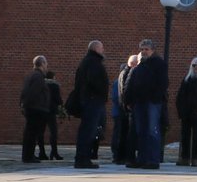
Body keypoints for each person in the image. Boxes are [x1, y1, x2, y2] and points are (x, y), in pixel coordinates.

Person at [125, 38, 167, 170]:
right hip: (139, 102)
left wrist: (155, 97)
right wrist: (128, 100)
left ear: (152, 50)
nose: (143, 51)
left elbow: (163, 83)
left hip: (151, 102)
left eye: (146, 49)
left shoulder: (159, 64)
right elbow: (130, 83)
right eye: (142, 49)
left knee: (152, 130)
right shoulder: (139, 66)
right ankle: (142, 159)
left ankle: (153, 160)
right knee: (140, 132)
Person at [72, 40, 109, 169]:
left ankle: (82, 157)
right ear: (96, 49)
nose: (103, 50)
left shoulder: (86, 61)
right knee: (88, 130)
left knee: (86, 129)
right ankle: (83, 158)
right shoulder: (94, 62)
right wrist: (102, 93)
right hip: (93, 100)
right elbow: (94, 82)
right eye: (102, 47)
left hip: (87, 100)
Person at [175, 57, 197, 166]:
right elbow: (180, 96)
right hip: (186, 112)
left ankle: (195, 158)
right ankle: (185, 157)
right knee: (185, 135)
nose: (195, 68)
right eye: (193, 65)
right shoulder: (187, 79)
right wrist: (180, 110)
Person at [19, 56, 51, 164]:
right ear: (41, 64)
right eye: (46, 63)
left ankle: (28, 154)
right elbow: (34, 93)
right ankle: (28, 156)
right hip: (36, 108)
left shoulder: (31, 76)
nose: (47, 65)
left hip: (31, 107)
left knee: (30, 133)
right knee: (31, 134)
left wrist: (23, 105)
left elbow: (24, 92)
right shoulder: (38, 77)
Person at [111, 53, 138, 164]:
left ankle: (119, 155)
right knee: (121, 133)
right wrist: (126, 105)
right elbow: (117, 96)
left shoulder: (120, 77)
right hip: (122, 110)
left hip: (121, 109)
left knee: (121, 133)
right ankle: (119, 155)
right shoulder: (124, 78)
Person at [38, 69, 64, 161]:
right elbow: (58, 99)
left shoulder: (41, 84)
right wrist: (61, 104)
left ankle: (42, 152)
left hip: (41, 110)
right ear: (53, 77)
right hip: (51, 111)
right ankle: (54, 152)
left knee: (40, 132)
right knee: (53, 132)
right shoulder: (54, 85)